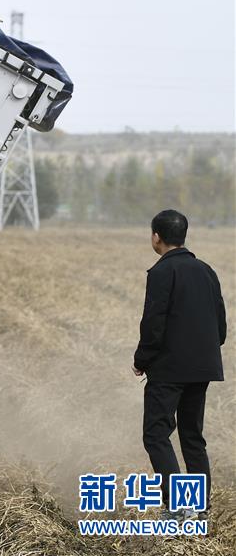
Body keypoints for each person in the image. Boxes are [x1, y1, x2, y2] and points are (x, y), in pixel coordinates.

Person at [133, 209, 227, 520]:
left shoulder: (161, 273)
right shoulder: (207, 271)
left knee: (156, 434)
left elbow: (153, 324)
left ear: (156, 237)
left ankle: (177, 508)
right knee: (192, 436)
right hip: (202, 368)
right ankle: (200, 509)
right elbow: (221, 326)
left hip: (170, 369)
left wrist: (141, 360)